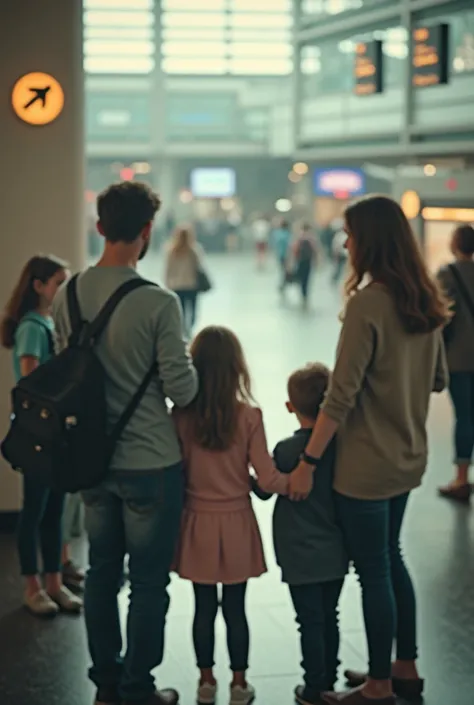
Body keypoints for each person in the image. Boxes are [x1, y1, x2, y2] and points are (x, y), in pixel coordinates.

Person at [288, 195, 449, 705]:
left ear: (369, 242)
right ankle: (404, 667)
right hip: (408, 456)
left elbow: (342, 395)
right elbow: (439, 379)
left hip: (364, 464)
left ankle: (378, 685)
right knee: (392, 558)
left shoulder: (367, 304)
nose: (346, 243)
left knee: (374, 568)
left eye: (351, 235)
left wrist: (308, 460)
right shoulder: (422, 299)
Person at [53, 181, 198, 705]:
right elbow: (181, 390)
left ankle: (106, 683)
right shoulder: (158, 303)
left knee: (101, 573)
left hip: (90, 460)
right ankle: (139, 686)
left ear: (99, 228)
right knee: (148, 583)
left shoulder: (68, 293)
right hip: (149, 462)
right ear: (146, 232)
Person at [172, 325, 292, 705]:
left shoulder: (181, 417)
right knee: (236, 608)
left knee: (202, 606)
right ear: (237, 368)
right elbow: (269, 478)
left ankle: (205, 682)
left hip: (196, 522)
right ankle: (240, 685)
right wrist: (302, 478)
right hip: (238, 521)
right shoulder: (249, 416)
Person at [253, 363, 348, 705]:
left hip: (297, 552)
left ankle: (313, 685)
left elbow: (265, 489)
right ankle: (330, 681)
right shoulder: (340, 447)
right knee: (329, 616)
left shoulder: (287, 450)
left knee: (308, 620)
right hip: (335, 548)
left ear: (290, 406)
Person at [0, 255, 83, 617]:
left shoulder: (47, 322)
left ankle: (53, 582)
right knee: (36, 510)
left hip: (50, 434)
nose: (63, 289)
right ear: (39, 285)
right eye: (58, 282)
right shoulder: (34, 327)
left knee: (54, 510)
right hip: (39, 433)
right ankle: (33, 586)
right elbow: (30, 380)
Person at [437, 224, 474, 501]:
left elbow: (438, 316)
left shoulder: (446, 274)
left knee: (465, 416)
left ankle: (462, 478)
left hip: (458, 358)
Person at [165, 224, 205, 337]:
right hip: (191, 285)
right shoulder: (195, 250)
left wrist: (167, 283)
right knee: (192, 310)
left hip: (177, 285)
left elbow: (168, 269)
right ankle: (188, 329)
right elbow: (199, 266)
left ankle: (184, 330)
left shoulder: (171, 251)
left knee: (181, 310)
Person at [293, 223, 318, 308]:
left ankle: (302, 292)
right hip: (308, 261)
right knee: (306, 278)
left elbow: (294, 249)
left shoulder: (299, 237)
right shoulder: (311, 238)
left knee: (301, 278)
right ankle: (305, 294)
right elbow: (315, 249)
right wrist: (317, 260)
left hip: (300, 261)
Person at [272, 219, 293, 292]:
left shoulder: (277, 233)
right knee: (285, 270)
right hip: (285, 255)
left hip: (280, 254)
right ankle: (284, 283)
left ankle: (283, 283)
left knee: (283, 270)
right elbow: (289, 245)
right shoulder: (287, 234)